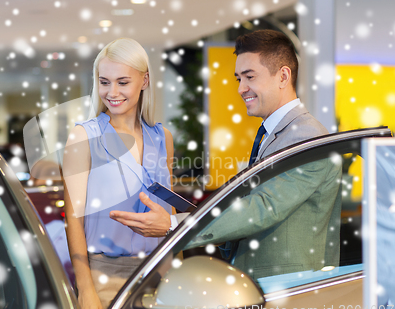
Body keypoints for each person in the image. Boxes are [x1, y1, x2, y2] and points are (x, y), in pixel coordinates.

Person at [109, 30, 342, 279]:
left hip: (291, 288)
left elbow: (262, 208)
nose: (241, 89)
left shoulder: (305, 135)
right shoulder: (276, 133)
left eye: (249, 77)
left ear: (283, 76)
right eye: (238, 78)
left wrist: (174, 225)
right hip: (268, 283)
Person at [62, 38, 175, 309]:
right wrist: (86, 288)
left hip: (160, 273)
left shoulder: (162, 138)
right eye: (104, 82)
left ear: (144, 81)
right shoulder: (84, 137)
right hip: (105, 277)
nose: (112, 92)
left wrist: (175, 273)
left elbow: (169, 213)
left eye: (123, 82)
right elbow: (73, 220)